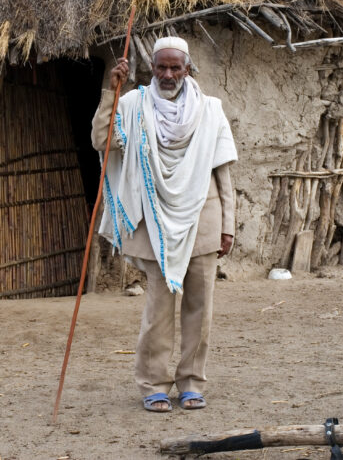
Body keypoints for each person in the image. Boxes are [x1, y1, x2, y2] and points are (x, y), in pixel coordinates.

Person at [91, 37, 237, 412]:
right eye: (161, 67)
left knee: (199, 307)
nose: (168, 74)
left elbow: (223, 172)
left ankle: (191, 382)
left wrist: (228, 225)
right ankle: (154, 383)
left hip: (203, 217)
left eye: (176, 67)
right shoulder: (134, 104)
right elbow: (103, 141)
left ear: (188, 69)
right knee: (158, 307)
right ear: (151, 68)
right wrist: (112, 92)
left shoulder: (210, 110)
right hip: (155, 218)